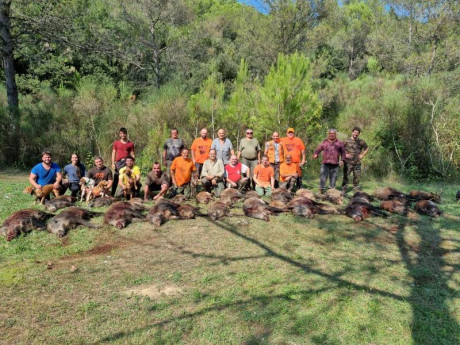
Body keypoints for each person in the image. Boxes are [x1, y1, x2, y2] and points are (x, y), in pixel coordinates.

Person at [313, 128, 346, 194]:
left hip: (335, 163)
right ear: (328, 134)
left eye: (333, 134)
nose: (332, 135)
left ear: (335, 134)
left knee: (333, 177)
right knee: (323, 176)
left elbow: (343, 152)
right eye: (330, 133)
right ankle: (321, 190)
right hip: (325, 163)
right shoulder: (324, 142)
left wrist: (342, 160)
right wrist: (316, 154)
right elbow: (319, 148)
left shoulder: (339, 143)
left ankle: (331, 191)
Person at [342, 126, 369, 193]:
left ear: (359, 134)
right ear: (352, 132)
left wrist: (362, 155)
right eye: (354, 132)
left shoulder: (361, 141)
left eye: (357, 133)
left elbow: (366, 148)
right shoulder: (346, 140)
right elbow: (341, 149)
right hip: (348, 162)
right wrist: (345, 155)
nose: (355, 134)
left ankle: (356, 188)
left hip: (357, 162)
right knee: (346, 176)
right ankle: (344, 189)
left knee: (357, 177)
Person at [111, 127, 135, 196]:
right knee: (116, 177)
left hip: (127, 163)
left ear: (126, 134)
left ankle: (129, 193)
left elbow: (132, 154)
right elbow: (113, 153)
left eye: (124, 133)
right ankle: (112, 194)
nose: (123, 135)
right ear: (119, 134)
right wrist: (113, 163)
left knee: (128, 177)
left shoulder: (130, 144)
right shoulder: (116, 143)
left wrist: (133, 164)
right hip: (118, 163)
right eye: (121, 133)